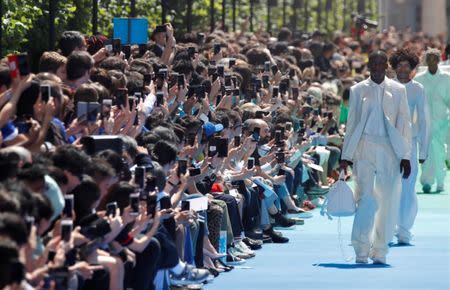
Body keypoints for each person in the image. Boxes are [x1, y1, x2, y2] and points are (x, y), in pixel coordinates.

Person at [340, 51, 412, 264]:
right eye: (374, 63)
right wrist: (346, 156)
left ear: (387, 65)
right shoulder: (357, 90)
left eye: (382, 63)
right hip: (364, 147)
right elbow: (351, 124)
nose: (378, 66)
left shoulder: (399, 90)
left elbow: (405, 123)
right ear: (369, 65)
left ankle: (380, 249)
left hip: (389, 149)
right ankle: (361, 248)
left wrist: (405, 155)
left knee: (388, 199)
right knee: (365, 199)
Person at [389, 48, 430, 244]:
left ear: (412, 67)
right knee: (388, 186)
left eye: (407, 65)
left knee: (408, 187)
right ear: (394, 67)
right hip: (388, 144)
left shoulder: (418, 89)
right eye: (400, 65)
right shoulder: (387, 87)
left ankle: (404, 229)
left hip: (410, 145)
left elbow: (424, 120)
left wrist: (424, 149)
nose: (403, 69)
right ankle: (387, 227)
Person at [414, 48, 450, 193]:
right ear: (425, 60)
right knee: (425, 151)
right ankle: (427, 181)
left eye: (435, 58)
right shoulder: (419, 78)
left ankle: (440, 181)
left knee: (440, 151)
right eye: (429, 58)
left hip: (441, 121)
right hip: (424, 121)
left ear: (439, 60)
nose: (432, 61)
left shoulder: (447, 78)